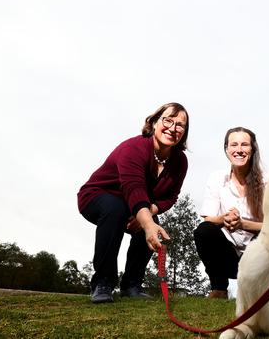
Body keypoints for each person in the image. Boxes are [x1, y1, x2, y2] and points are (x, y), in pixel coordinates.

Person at [77, 102, 189, 304]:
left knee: (151, 220)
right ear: (154, 122)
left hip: (134, 204)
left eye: (180, 125)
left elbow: (170, 197)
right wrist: (146, 221)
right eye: (168, 120)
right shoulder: (134, 147)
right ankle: (103, 282)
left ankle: (131, 285)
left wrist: (148, 216)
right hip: (97, 196)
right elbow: (133, 188)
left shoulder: (180, 161)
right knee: (117, 210)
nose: (173, 128)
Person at [194, 127, 264, 299]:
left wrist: (242, 224)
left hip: (256, 255)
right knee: (204, 230)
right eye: (234, 145)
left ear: (252, 149)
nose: (239, 150)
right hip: (228, 255)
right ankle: (219, 288)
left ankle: (260, 291)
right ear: (226, 149)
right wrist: (224, 218)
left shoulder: (266, 180)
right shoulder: (217, 178)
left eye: (244, 145)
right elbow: (209, 218)